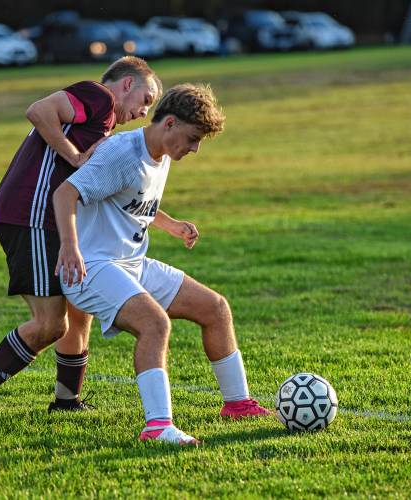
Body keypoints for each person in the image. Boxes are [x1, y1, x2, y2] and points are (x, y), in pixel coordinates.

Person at [0, 57, 162, 431]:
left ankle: (67, 401)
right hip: (31, 213)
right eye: (146, 99)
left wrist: (168, 222)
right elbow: (39, 110)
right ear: (127, 84)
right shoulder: (99, 97)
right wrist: (74, 155)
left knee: (80, 308)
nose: (144, 112)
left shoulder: (104, 125)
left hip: (44, 217)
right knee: (49, 325)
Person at [54, 84, 271, 445]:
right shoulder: (121, 152)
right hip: (91, 267)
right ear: (169, 123)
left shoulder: (163, 154)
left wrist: (170, 224)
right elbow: (65, 194)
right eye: (192, 138)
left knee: (215, 308)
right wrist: (70, 247)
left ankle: (238, 403)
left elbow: (133, 201)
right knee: (155, 323)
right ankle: (157, 427)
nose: (195, 149)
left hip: (130, 264)